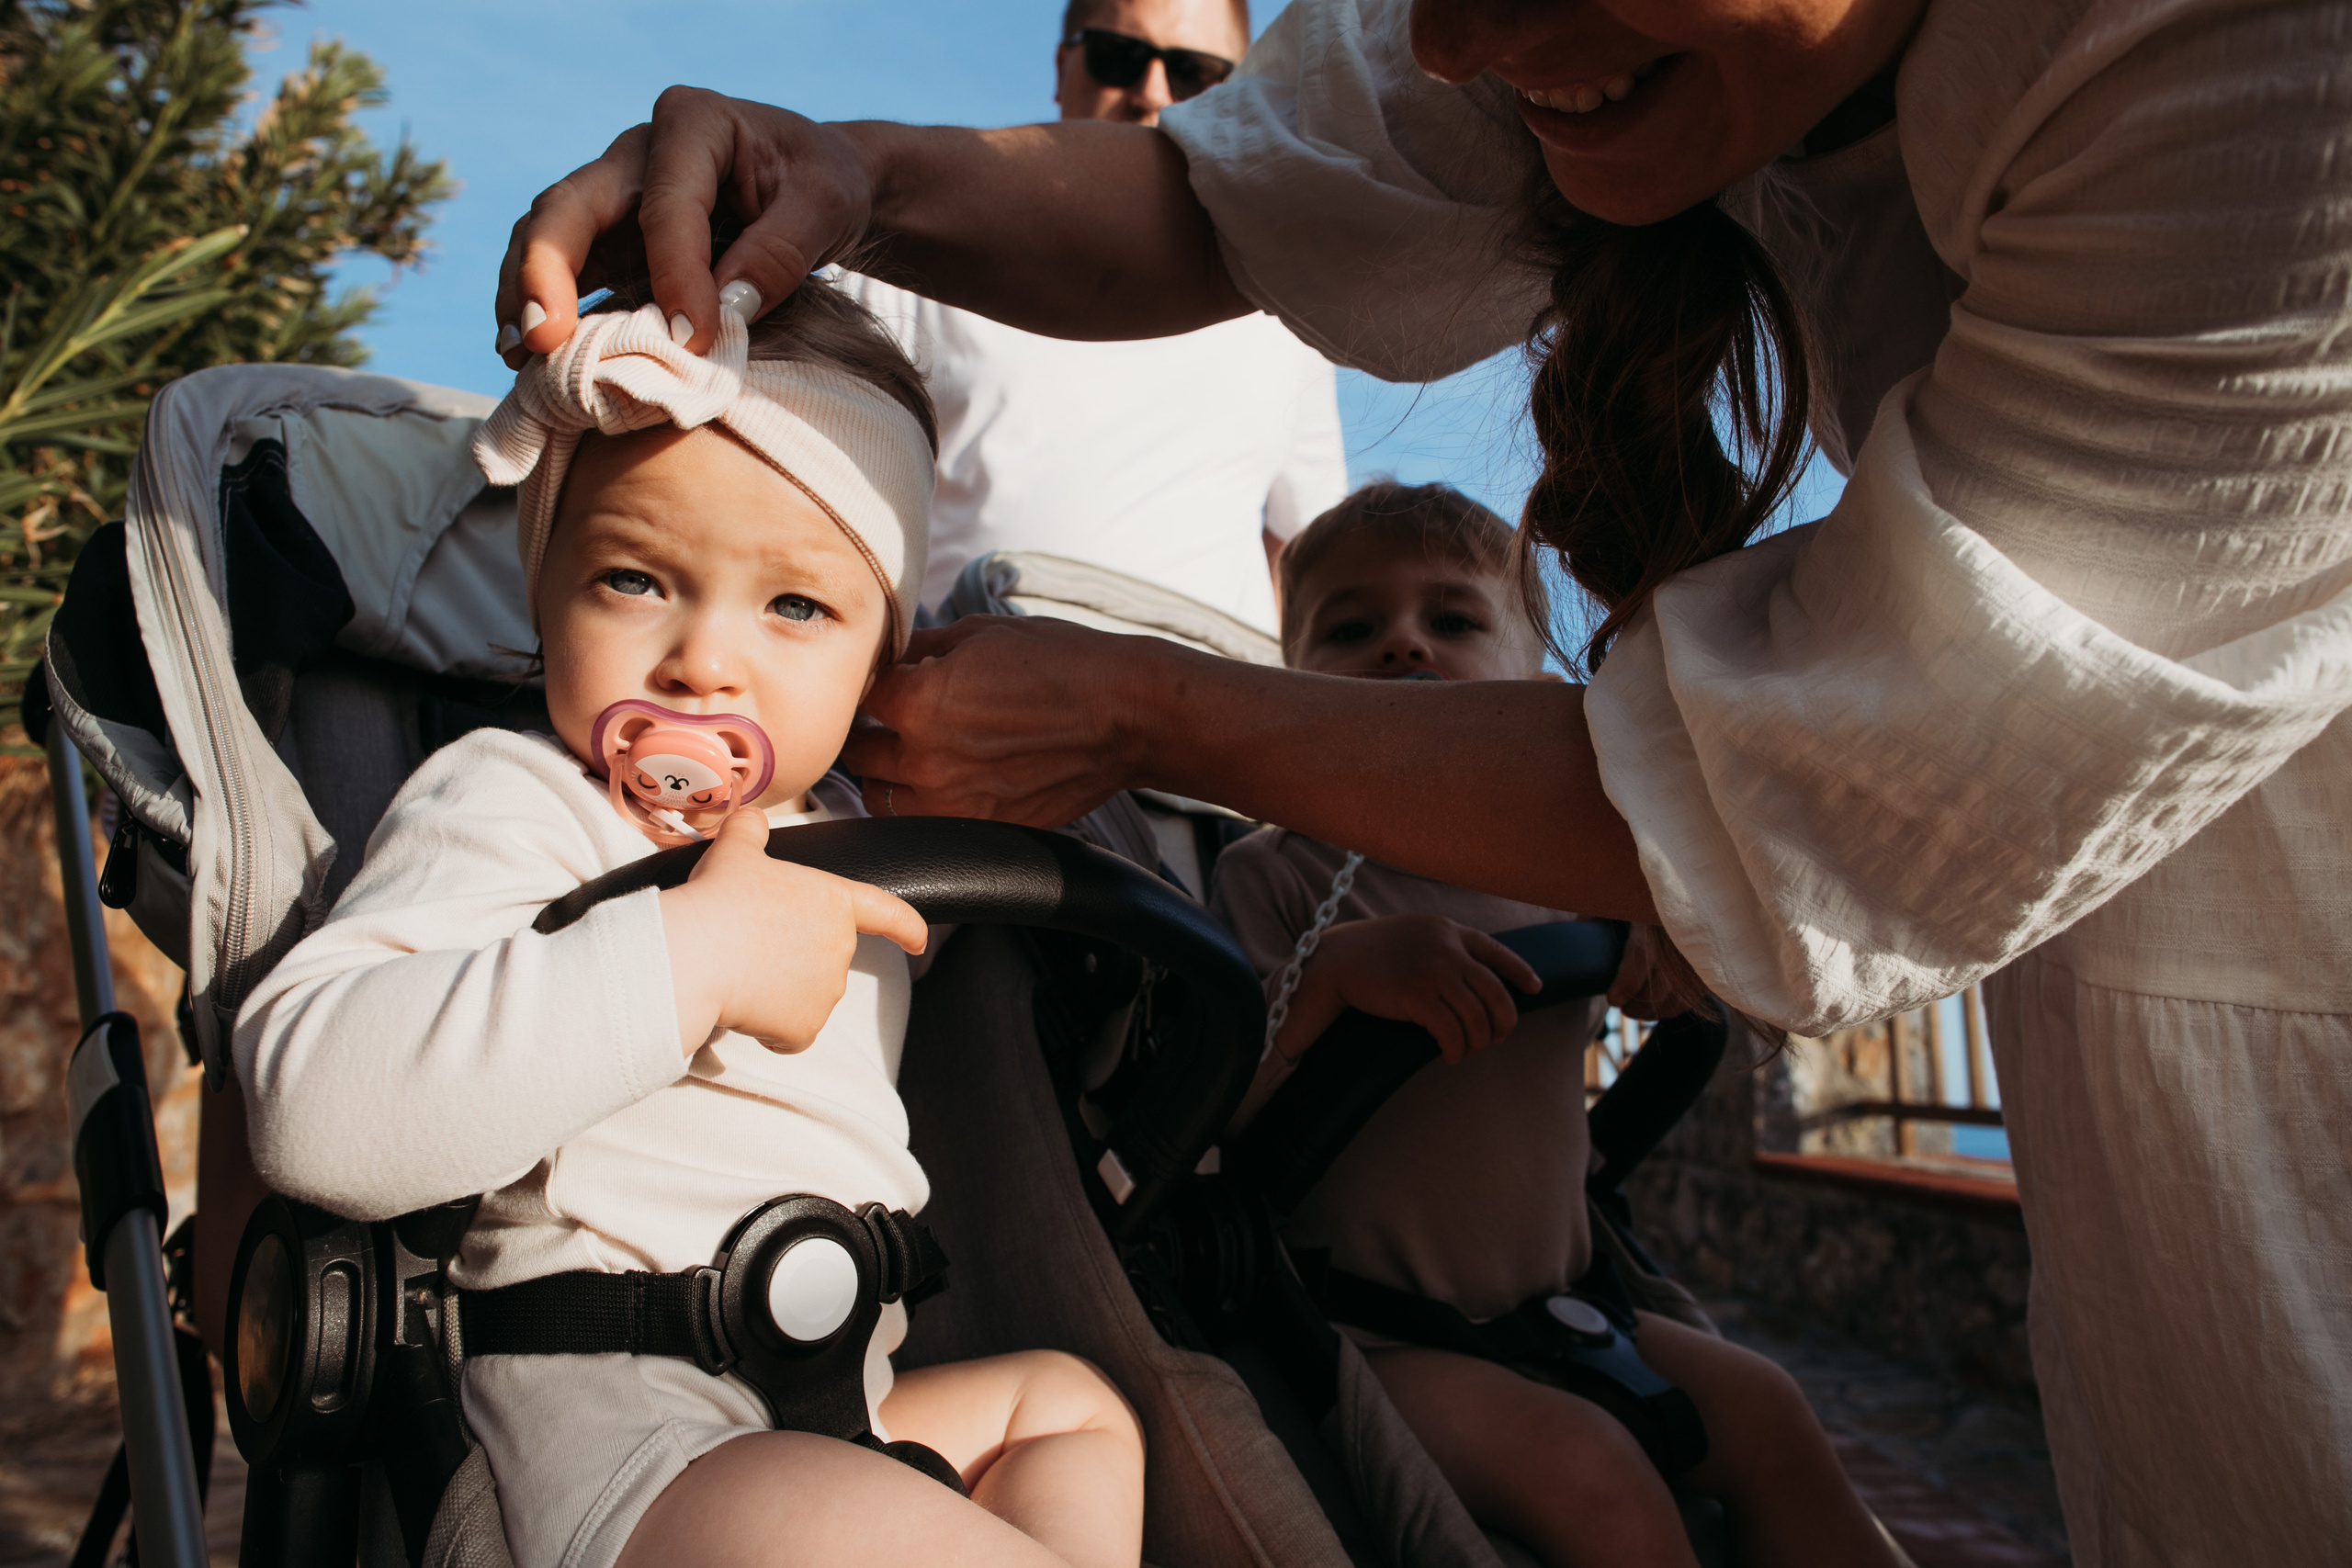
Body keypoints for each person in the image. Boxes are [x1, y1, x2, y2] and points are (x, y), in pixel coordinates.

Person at [492, 0, 2352, 1561]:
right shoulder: (1291, 870)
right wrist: (857, 169)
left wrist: (1159, 707)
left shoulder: (2262, 90)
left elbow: (1808, 783)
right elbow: (1244, 187)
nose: (1451, 36)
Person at [237, 283, 1145, 1568]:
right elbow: (311, 1107)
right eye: (633, 578)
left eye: (796, 608)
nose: (703, 660)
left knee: (1069, 1407)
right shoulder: (519, 798)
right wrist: (689, 954)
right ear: (543, 599)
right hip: (628, 1423)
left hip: (837, 1394)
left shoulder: (872, 834)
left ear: (881, 659)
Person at [1213, 482, 1894, 1568]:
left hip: (1568, 1303)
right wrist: (1335, 978)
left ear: (1530, 678)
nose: (1400, 645)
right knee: (1598, 1480)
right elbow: (1220, 1108)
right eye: (1350, 628)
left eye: (1452, 620)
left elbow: (1706, 955)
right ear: (1296, 682)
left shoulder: (1565, 865)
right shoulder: (1281, 872)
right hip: (1371, 1335)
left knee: (1767, 1411)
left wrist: (1667, 937)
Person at [833, 0, 1346, 633]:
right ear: (1061, 64)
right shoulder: (921, 249)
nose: (1151, 90)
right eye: (1120, 57)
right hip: (967, 694)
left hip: (1216, 713)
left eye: (1195, 72)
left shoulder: (1290, 293)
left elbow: (1305, 550)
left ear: (1236, 92)